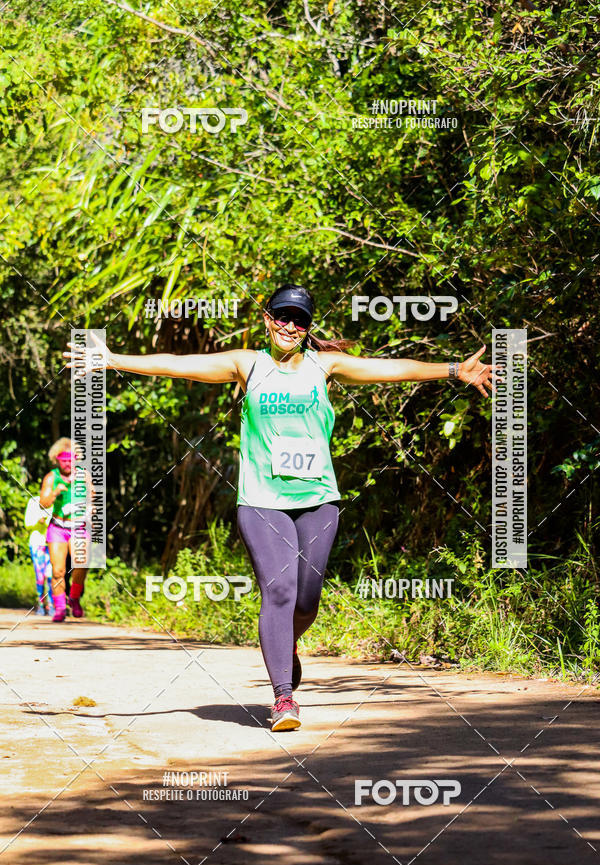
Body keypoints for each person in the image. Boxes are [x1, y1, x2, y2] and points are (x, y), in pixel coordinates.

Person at [64, 284, 497, 730]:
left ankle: (285, 643)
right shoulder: (246, 365)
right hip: (261, 501)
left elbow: (389, 369)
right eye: (282, 316)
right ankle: (283, 700)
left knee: (306, 600)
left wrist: (452, 370)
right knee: (280, 592)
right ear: (268, 318)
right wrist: (113, 359)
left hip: (318, 500)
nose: (290, 325)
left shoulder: (324, 365)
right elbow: (178, 366)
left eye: (300, 319)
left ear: (308, 328)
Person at [39, 438, 92, 623]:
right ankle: (60, 608)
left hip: (78, 527)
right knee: (58, 571)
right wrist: (55, 493)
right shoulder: (52, 477)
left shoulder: (84, 476)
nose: (68, 463)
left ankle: (75, 598)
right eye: (64, 460)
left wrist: (91, 509)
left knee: (82, 563)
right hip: (58, 528)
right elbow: (43, 503)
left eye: (71, 459)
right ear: (56, 459)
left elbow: (94, 498)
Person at [24, 494, 54, 616]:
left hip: (53, 543)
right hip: (37, 543)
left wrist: (47, 522)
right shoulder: (33, 501)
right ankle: (41, 604)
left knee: (52, 575)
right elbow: (27, 524)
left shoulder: (56, 502)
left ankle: (52, 605)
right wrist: (38, 521)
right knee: (40, 576)